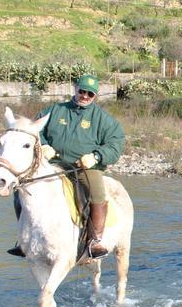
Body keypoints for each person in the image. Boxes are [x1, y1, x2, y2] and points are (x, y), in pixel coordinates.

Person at [8, 74, 126, 259]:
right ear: (75, 89)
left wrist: (96, 156)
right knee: (21, 187)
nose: (85, 96)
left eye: (90, 94)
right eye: (82, 91)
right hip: (53, 163)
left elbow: (116, 143)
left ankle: (95, 240)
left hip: (84, 167)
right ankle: (24, 239)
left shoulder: (103, 119)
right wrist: (44, 145)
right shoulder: (55, 111)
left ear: (95, 96)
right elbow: (34, 129)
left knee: (96, 191)